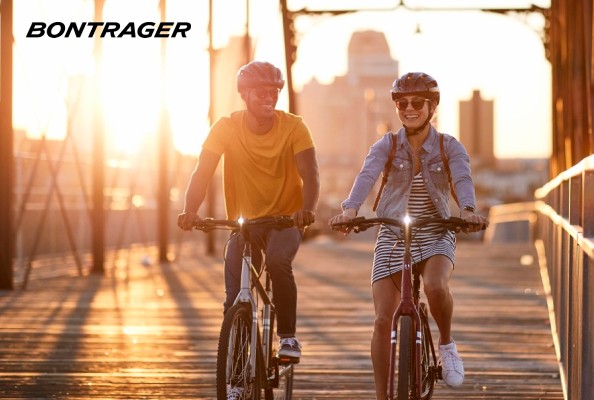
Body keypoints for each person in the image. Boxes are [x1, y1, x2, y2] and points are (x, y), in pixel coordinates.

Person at [328, 72, 487, 398]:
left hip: (435, 230)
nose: (409, 108)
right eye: (402, 103)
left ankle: (446, 344)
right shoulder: (386, 145)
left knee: (433, 285)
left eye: (417, 102)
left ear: (432, 106)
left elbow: (461, 178)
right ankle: (383, 396)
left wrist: (468, 209)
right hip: (394, 232)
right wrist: (350, 209)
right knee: (382, 319)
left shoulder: (448, 146)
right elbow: (367, 175)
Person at [177, 60, 319, 366]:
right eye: (261, 92)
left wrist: (306, 210)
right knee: (234, 297)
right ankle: (239, 367)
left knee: (279, 262)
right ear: (244, 93)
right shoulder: (226, 128)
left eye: (274, 91)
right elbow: (202, 173)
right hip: (245, 225)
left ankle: (288, 336)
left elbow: (311, 174)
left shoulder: (294, 126)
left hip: (286, 219)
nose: (269, 97)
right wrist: (190, 210)